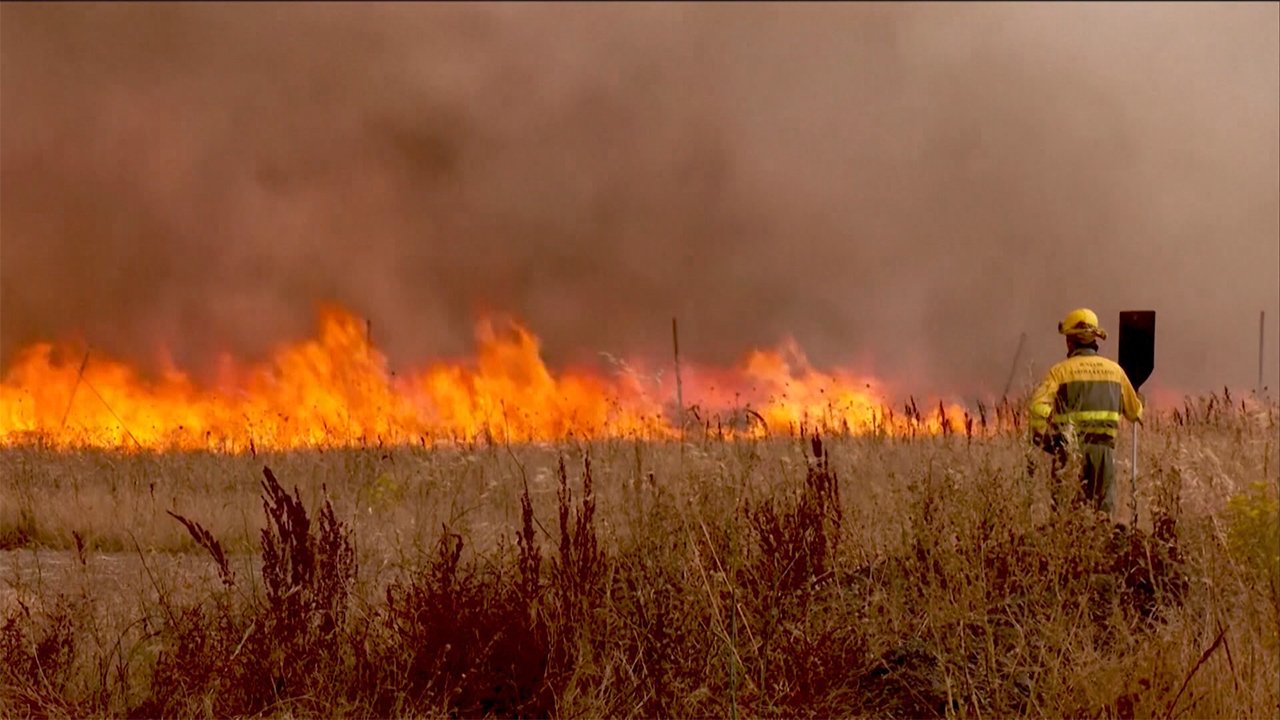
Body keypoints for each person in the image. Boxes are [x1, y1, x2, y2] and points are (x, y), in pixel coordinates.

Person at [1028, 308, 1143, 515]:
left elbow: (1037, 407)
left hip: (1070, 451)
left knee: (1066, 516)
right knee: (1102, 515)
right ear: (1094, 339)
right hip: (1104, 454)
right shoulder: (1116, 371)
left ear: (1070, 341)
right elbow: (1135, 412)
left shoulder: (1060, 371)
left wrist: (1041, 438)